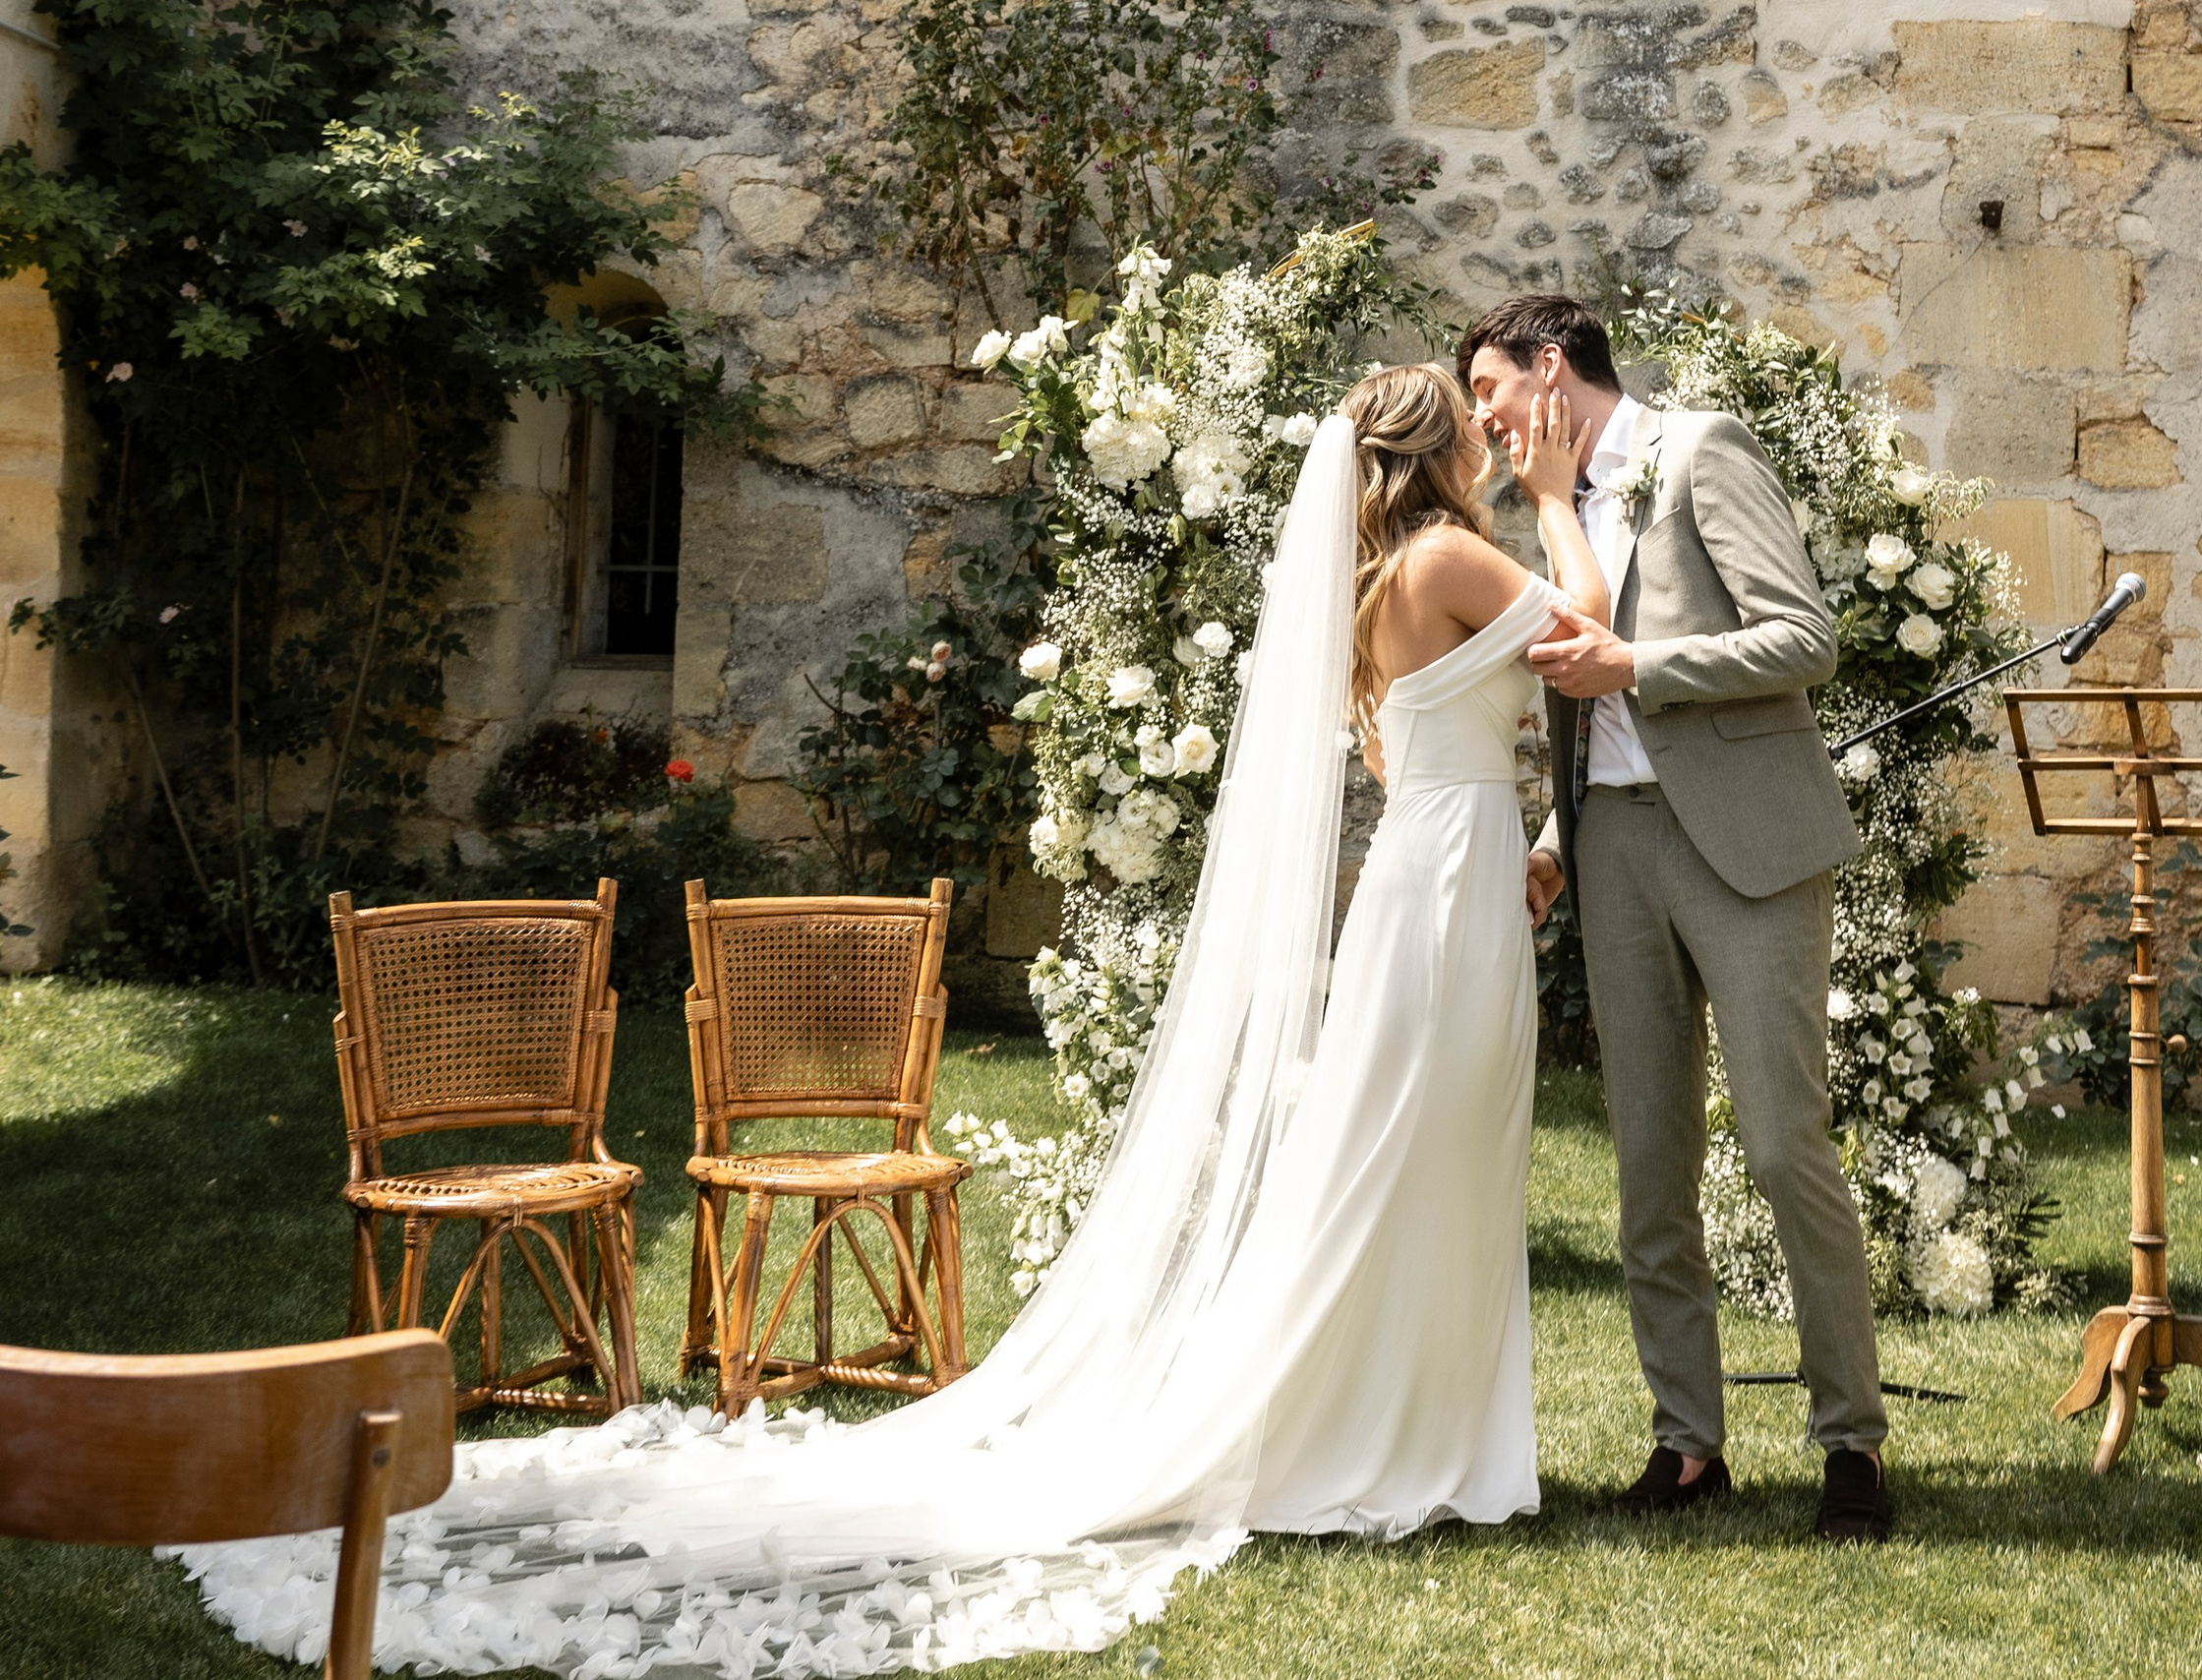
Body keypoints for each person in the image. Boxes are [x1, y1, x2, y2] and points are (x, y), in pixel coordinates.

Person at [172, 365, 1619, 1678]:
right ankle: (1383, 1432)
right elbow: (1594, 632)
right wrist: (1559, 502)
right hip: (1448, 890)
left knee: (1415, 1152)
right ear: (1438, 459)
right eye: (1480, 429)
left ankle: (1414, 1425)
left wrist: (1534, 842)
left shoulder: (1381, 584)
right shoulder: (1448, 556)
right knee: (1415, 1153)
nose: (1502, 449)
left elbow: (1440, 748)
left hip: (1453, 875)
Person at [1457, 294, 1892, 1542]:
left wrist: (1638, 667)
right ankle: (1685, 1442)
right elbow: (1573, 701)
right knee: (1650, 1164)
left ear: (1550, 368)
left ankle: (1850, 1443)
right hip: (1614, 851)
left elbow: (1803, 636)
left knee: (1780, 1145)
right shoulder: (1534, 509)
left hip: (1747, 849)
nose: (1483, 419)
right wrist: (1554, 841)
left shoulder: (1698, 451)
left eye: (1490, 388)